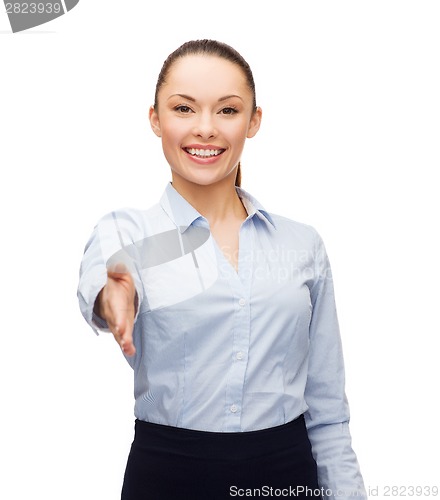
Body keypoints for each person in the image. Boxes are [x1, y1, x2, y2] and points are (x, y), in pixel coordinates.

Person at [77, 39, 367, 500]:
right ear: (156, 119)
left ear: (253, 121)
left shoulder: (302, 245)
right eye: (184, 109)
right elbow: (107, 269)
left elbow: (328, 410)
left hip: (287, 477)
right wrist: (114, 294)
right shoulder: (129, 230)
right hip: (168, 478)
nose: (205, 129)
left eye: (228, 111)